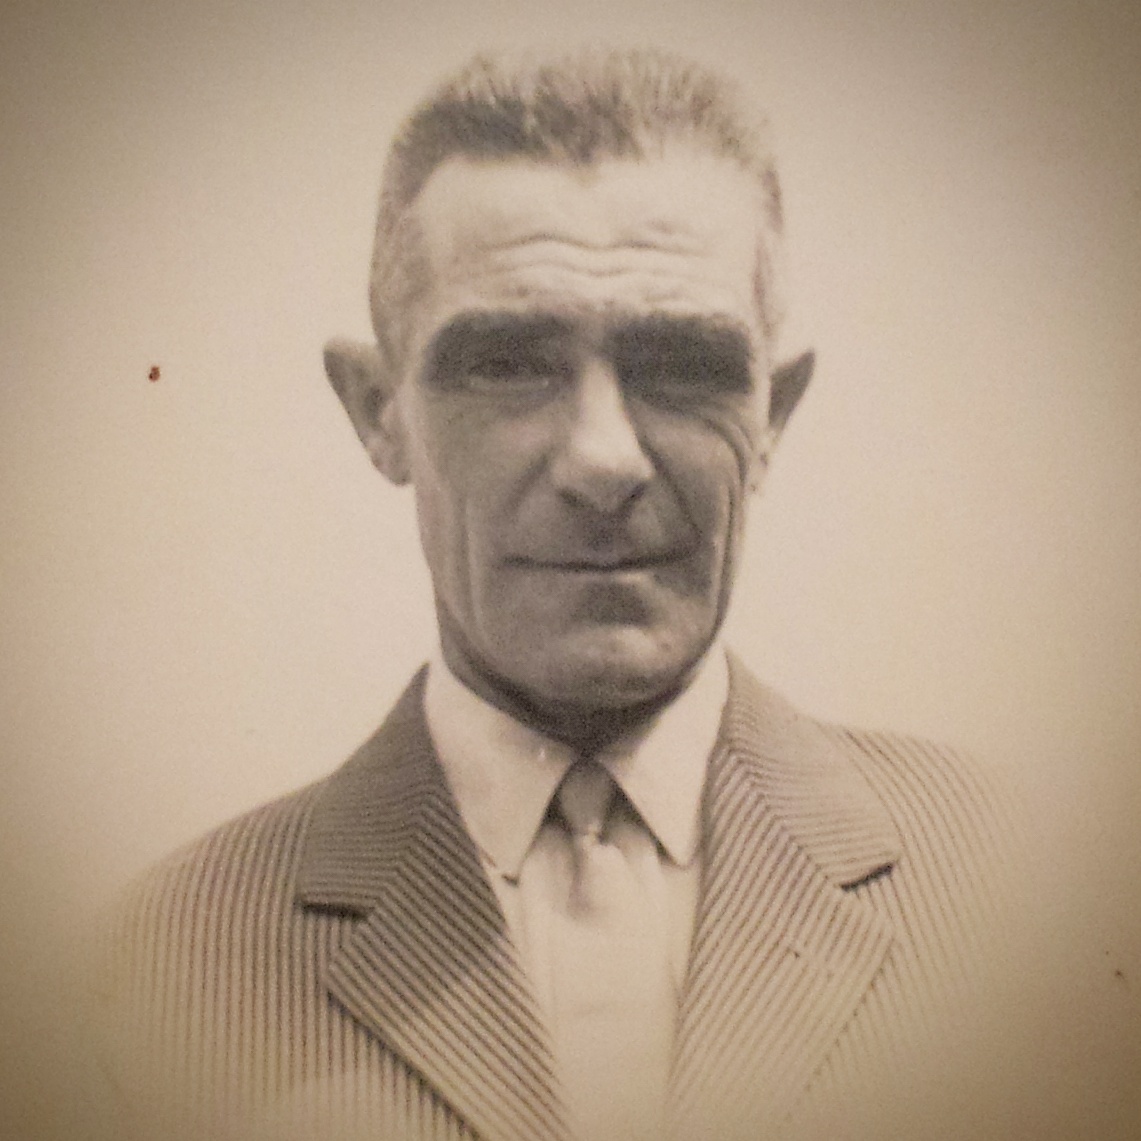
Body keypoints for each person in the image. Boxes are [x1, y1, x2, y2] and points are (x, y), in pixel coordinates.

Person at [93, 46, 1019, 1141]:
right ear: (379, 410)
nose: (602, 459)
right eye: (507, 364)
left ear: (770, 414)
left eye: (682, 365)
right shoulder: (159, 970)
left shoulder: (1023, 888)